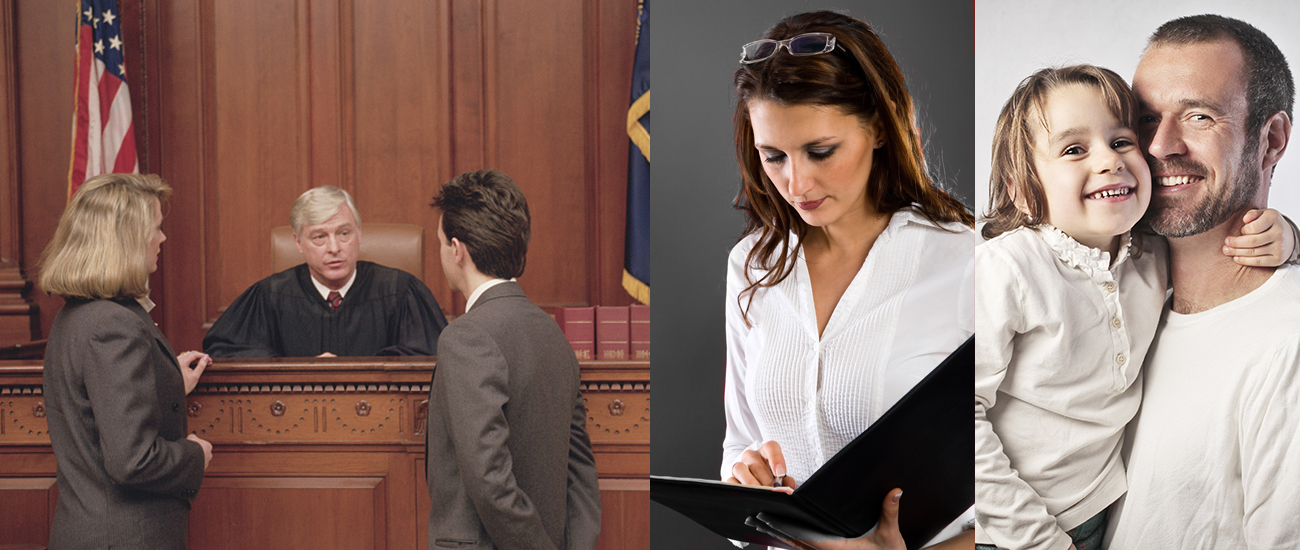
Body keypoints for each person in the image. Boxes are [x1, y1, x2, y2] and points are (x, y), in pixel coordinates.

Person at [974, 64, 1295, 550]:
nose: (1110, 161)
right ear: (1024, 187)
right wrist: (1035, 538)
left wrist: (1288, 235)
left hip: (1098, 519)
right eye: (1074, 149)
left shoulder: (1148, 253)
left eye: (1122, 141)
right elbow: (959, 420)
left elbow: (1207, 229)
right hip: (1012, 529)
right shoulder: (1009, 268)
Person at [721, 11, 975, 549]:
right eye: (773, 157)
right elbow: (739, 442)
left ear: (879, 127)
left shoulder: (966, 259)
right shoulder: (751, 267)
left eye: (820, 151)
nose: (796, 182)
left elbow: (1024, 480)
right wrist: (748, 482)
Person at [1104, 15, 1300, 548]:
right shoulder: (1114, 306)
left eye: (1199, 116)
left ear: (1272, 139)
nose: (1161, 145)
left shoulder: (1288, 344)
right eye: (1145, 118)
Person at [425, 169, 601, 550]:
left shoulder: (465, 336)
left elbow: (489, 480)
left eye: (440, 242)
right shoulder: (553, 333)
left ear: (457, 249)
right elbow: (581, 471)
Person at [39, 173, 214, 550]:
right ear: (127, 238)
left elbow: (94, 402)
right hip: (124, 538)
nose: (163, 238)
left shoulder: (75, 316)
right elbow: (133, 460)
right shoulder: (114, 324)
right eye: (156, 228)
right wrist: (195, 455)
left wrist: (167, 380)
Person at [203, 186, 447, 357]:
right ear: (298, 242)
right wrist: (303, 369)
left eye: (344, 233)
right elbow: (224, 350)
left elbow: (429, 354)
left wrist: (354, 369)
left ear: (359, 233)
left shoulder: (400, 291)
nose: (334, 248)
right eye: (319, 237)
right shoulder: (270, 295)